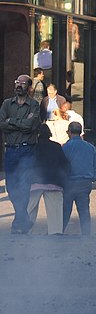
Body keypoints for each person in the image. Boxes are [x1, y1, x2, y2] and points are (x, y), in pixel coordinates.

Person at [0, 74, 42, 234]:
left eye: (23, 83)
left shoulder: (34, 105)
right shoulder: (6, 104)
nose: (19, 85)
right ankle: (22, 218)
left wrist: (11, 121)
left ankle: (19, 221)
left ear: (29, 87)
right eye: (17, 82)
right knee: (11, 187)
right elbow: (1, 124)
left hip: (27, 150)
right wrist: (19, 123)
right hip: (10, 149)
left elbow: (31, 126)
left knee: (24, 187)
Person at [28, 124, 69, 235]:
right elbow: (64, 164)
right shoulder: (56, 146)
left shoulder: (33, 147)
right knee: (55, 209)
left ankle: (26, 230)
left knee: (30, 209)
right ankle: (55, 232)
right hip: (54, 181)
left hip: (36, 181)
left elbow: (28, 165)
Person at [62, 122, 96, 236]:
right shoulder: (90, 147)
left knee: (65, 210)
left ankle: (59, 231)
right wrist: (93, 177)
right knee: (84, 210)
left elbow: (62, 165)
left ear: (69, 132)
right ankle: (86, 233)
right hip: (85, 182)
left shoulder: (66, 147)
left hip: (70, 182)